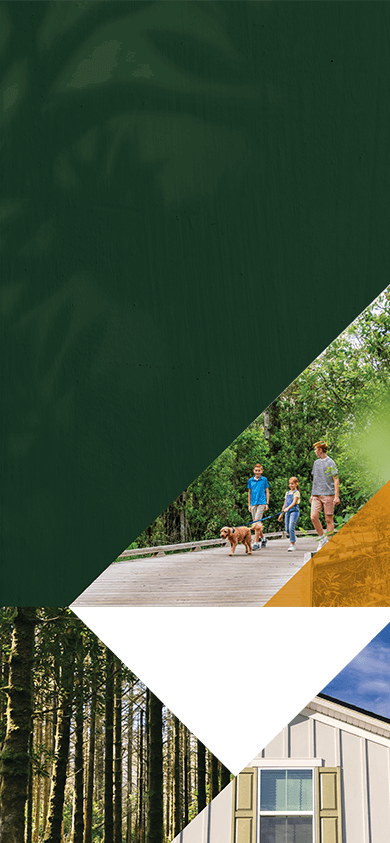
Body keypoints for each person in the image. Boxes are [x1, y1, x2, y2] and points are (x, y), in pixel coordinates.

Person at [310, 441, 340, 551]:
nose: (315, 451)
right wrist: (312, 494)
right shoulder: (316, 463)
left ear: (321, 450)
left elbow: (336, 479)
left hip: (329, 494)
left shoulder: (330, 462)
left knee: (328, 519)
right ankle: (322, 539)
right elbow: (315, 480)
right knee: (313, 516)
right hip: (316, 495)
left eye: (316, 449)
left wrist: (336, 496)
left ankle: (329, 544)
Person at [247, 463, 269, 549]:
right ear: (253, 471)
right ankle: (263, 538)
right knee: (256, 524)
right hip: (253, 503)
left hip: (261, 503)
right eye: (256, 470)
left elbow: (267, 491)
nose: (257, 472)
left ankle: (256, 543)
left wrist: (267, 503)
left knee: (256, 522)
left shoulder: (264, 480)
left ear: (262, 471)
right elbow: (249, 493)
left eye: (259, 470)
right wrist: (249, 505)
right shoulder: (250, 480)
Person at [278, 477, 300, 552]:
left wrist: (288, 508)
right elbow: (284, 504)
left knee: (291, 527)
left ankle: (292, 544)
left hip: (294, 511)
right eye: (290, 483)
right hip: (287, 512)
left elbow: (294, 502)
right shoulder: (287, 493)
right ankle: (293, 536)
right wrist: (281, 514)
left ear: (296, 484)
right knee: (287, 529)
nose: (290, 485)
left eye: (292, 484)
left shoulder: (297, 493)